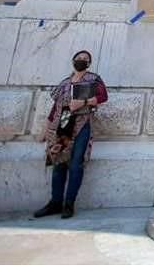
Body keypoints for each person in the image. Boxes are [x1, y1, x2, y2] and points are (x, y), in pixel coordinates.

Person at [34, 50, 108, 219]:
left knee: (76, 163)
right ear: (73, 60)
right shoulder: (65, 83)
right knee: (59, 162)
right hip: (62, 124)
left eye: (85, 59)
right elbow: (55, 108)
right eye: (79, 58)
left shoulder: (93, 79)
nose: (81, 60)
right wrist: (46, 129)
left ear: (89, 64)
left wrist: (82, 102)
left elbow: (102, 96)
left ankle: (69, 203)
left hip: (81, 123)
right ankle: (55, 202)